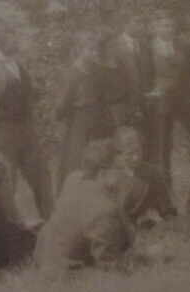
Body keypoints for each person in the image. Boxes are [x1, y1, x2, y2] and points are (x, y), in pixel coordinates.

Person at [0, 27, 53, 226]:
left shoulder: (19, 63)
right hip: (5, 133)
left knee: (40, 176)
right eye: (12, 38)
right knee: (9, 183)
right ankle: (13, 230)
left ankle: (50, 221)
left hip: (27, 129)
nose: (16, 42)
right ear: (1, 43)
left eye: (16, 38)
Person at [35, 139, 134, 273]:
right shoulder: (104, 207)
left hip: (43, 257)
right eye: (120, 170)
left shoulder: (72, 178)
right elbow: (107, 262)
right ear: (104, 173)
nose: (125, 175)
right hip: (64, 270)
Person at [139, 10, 190, 193]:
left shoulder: (183, 46)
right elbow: (145, 76)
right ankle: (163, 188)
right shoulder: (149, 48)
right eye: (164, 25)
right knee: (162, 145)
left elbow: (189, 73)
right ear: (156, 28)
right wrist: (150, 94)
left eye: (171, 25)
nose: (168, 29)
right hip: (161, 102)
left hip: (183, 101)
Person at [55, 31, 112, 185]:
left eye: (95, 49)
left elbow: (102, 94)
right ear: (79, 50)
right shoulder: (72, 74)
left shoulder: (96, 69)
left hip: (97, 120)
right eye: (90, 49)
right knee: (76, 160)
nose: (94, 53)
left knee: (100, 157)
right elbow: (62, 105)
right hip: (79, 123)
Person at [113, 124, 172, 225]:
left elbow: (167, 207)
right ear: (119, 153)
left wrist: (159, 217)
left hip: (148, 227)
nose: (136, 157)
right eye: (130, 154)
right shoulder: (112, 175)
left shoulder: (152, 173)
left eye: (138, 150)